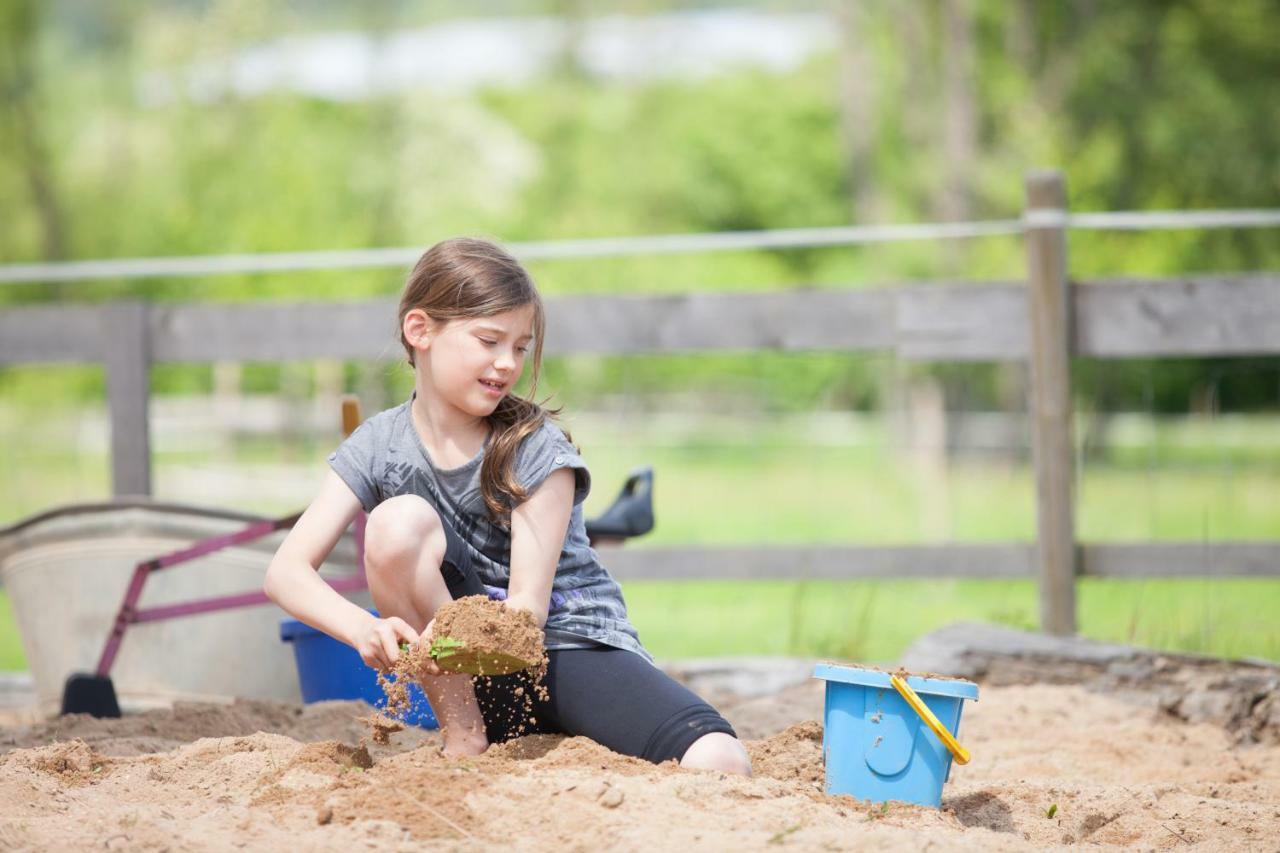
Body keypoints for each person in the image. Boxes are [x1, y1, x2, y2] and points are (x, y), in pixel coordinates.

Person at [263, 237, 751, 775]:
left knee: (719, 760)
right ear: (419, 330)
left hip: (568, 651)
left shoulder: (536, 448)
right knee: (394, 525)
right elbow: (286, 572)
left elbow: (525, 615)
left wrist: (442, 641)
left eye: (520, 347)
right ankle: (463, 737)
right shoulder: (379, 445)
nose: (506, 363)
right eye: (489, 340)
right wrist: (363, 628)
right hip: (470, 688)